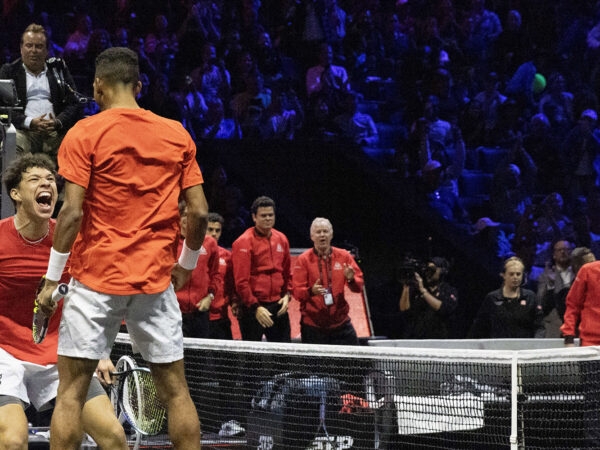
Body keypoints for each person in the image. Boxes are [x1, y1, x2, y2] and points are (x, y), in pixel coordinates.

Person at [35, 47, 207, 449]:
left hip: (96, 279)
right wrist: (187, 263)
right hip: (154, 280)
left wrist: (51, 280)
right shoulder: (176, 133)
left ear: (97, 87)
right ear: (139, 85)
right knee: (176, 391)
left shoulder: (83, 132)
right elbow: (198, 212)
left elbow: (72, 214)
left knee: (71, 392)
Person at [0, 153, 127, 450]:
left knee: (113, 437)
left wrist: (99, 351)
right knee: (12, 440)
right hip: (4, 351)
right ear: (15, 194)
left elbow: (91, 297)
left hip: (60, 352)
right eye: (34, 179)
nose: (46, 183)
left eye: (50, 180)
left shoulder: (72, 239)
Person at [0, 23, 82, 160]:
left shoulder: (58, 70)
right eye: (29, 45)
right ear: (21, 48)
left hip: (56, 133)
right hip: (23, 132)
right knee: (10, 143)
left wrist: (58, 121)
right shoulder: (9, 71)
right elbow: (2, 110)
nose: (33, 50)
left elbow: (74, 103)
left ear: (47, 50)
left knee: (79, 144)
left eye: (39, 46)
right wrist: (29, 122)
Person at [292, 217, 364, 345]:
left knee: (355, 361)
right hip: (313, 326)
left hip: (340, 323)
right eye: (318, 232)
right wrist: (311, 291)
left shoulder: (344, 256)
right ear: (312, 236)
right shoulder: (303, 260)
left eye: (325, 231)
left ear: (331, 234)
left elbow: (358, 287)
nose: (322, 235)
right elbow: (297, 292)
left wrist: (351, 279)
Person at [231, 195, 292, 342]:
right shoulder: (243, 242)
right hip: (252, 309)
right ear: (254, 217)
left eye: (271, 215)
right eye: (263, 215)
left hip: (278, 305)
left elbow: (287, 272)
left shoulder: (282, 239)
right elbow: (241, 282)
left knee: (284, 356)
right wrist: (255, 307)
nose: (268, 218)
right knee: (253, 359)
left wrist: (287, 295)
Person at [561, 251, 600, 448]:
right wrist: (568, 337)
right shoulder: (588, 270)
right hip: (591, 349)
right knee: (593, 401)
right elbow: (572, 304)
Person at [468, 256, 544, 338]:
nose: (515, 277)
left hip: (524, 347)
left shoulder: (530, 297)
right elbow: (479, 326)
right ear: (503, 275)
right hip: (498, 347)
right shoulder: (492, 298)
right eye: (511, 274)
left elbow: (539, 326)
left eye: (518, 274)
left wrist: (536, 343)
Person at [176, 201, 221, 338]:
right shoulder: (167, 242)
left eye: (192, 215)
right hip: (173, 313)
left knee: (200, 358)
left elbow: (215, 275)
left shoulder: (209, 243)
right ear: (178, 217)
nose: (188, 218)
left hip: (200, 312)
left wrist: (210, 297)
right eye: (184, 214)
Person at [399, 257, 459, 339]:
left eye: (432, 270)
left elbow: (444, 308)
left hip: (438, 339)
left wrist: (423, 291)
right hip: (416, 338)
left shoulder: (448, 290)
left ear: (442, 271)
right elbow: (404, 310)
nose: (428, 273)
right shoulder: (418, 289)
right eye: (426, 270)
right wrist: (406, 287)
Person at [206, 212, 236, 340]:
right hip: (199, 318)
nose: (214, 233)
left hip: (221, 318)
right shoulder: (192, 254)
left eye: (217, 230)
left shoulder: (227, 256)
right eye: (210, 229)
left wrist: (234, 302)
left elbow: (231, 284)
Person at [536, 239, 574, 338]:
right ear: (554, 254)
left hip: (575, 327)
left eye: (566, 249)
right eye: (559, 250)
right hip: (553, 328)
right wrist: (551, 284)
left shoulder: (579, 274)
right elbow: (540, 302)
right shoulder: (545, 276)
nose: (563, 252)